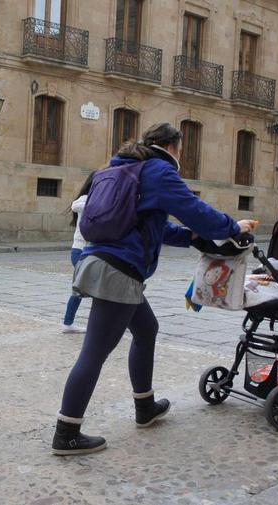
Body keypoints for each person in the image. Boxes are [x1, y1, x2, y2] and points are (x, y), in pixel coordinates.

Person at [51, 123, 257, 455]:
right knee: (94, 352)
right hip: (118, 270)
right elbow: (194, 210)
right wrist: (232, 226)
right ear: (173, 147)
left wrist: (190, 237)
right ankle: (67, 433)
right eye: (181, 149)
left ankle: (144, 406)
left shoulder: (124, 169)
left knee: (147, 329)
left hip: (102, 262)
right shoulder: (159, 171)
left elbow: (155, 227)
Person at [61, 172, 94, 334]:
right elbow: (76, 205)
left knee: (85, 288)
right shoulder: (85, 200)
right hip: (81, 251)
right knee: (86, 289)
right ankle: (68, 323)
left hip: (89, 252)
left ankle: (68, 323)